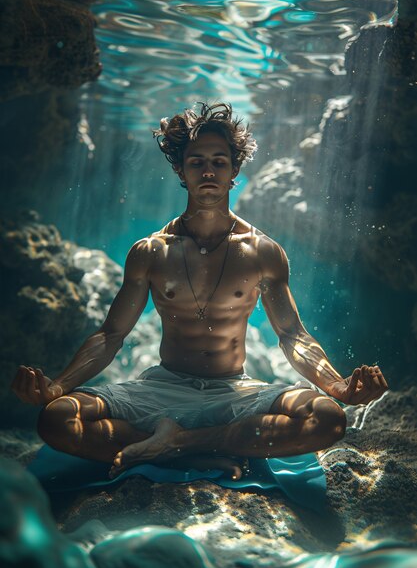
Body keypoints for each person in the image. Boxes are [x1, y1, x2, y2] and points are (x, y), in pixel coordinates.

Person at [12, 102, 388, 481]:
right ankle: (201, 446)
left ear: (234, 169)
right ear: (180, 169)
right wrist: (57, 386)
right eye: (197, 162)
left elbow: (292, 336)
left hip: (234, 392)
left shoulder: (263, 252)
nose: (208, 171)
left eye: (219, 162)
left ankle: (178, 445)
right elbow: (111, 335)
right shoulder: (150, 251)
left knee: (326, 418)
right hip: (161, 388)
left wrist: (336, 384)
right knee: (58, 418)